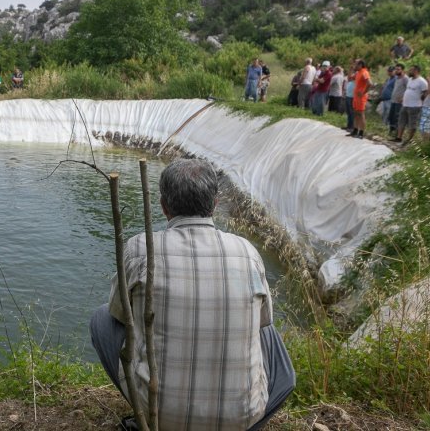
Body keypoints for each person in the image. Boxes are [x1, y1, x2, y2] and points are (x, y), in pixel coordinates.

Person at [90, 159, 295, 430]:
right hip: (242, 419)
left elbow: (118, 312)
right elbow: (262, 321)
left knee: (102, 318)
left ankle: (145, 416)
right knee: (267, 331)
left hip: (157, 415)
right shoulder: (247, 252)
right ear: (214, 204)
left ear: (164, 206)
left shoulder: (140, 248)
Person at [395, 65, 427, 144]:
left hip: (415, 106)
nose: (409, 71)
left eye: (411, 70)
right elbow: (408, 90)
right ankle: (399, 137)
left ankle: (409, 139)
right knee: (401, 121)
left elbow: (425, 93)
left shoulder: (422, 81)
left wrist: (420, 100)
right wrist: (403, 98)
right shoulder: (410, 79)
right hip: (405, 104)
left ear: (416, 71)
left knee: (412, 123)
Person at [349, 59, 372, 139]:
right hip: (356, 97)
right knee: (356, 113)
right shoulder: (358, 72)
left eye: (356, 64)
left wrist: (363, 92)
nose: (354, 65)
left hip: (361, 97)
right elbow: (350, 78)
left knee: (361, 114)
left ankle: (361, 132)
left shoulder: (364, 72)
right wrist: (351, 69)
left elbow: (369, 83)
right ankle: (355, 130)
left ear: (360, 65)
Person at [388, 64, 407, 137]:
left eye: (398, 69)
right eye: (396, 69)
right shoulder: (396, 78)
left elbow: (408, 88)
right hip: (393, 100)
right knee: (391, 117)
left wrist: (403, 98)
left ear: (402, 70)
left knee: (397, 117)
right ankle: (391, 132)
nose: (396, 71)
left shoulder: (405, 79)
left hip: (399, 102)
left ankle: (397, 134)